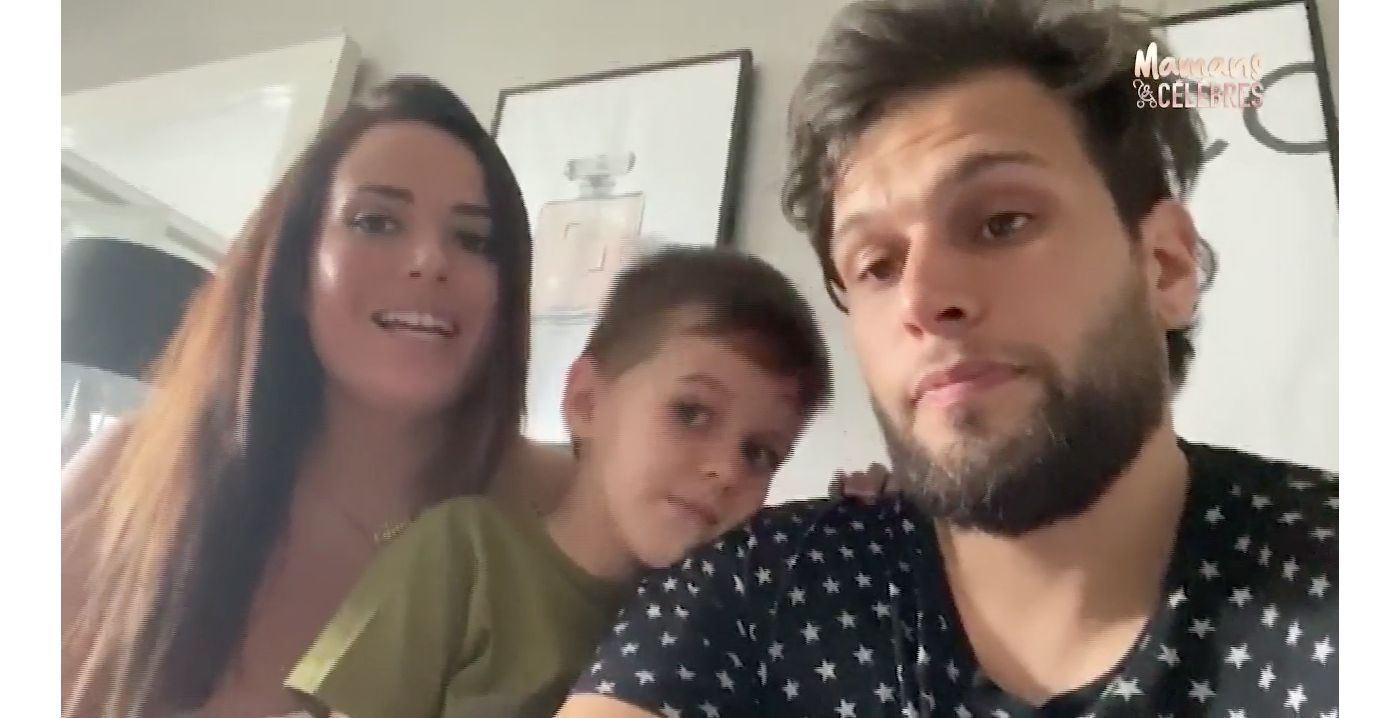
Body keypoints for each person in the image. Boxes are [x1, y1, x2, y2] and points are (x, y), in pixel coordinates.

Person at [559, 1, 1338, 716]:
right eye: (877, 265)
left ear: (1164, 266)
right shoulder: (753, 589)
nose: (923, 298)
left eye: (1002, 222)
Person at [61, 76, 534, 718]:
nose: (430, 260)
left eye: (475, 239)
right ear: (292, 271)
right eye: (376, 222)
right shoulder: (130, 474)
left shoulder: (562, 506)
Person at [283, 246, 833, 718]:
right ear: (587, 400)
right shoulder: (467, 552)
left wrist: (857, 523)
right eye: (691, 413)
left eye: (760, 453)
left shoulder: (717, 619)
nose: (727, 469)